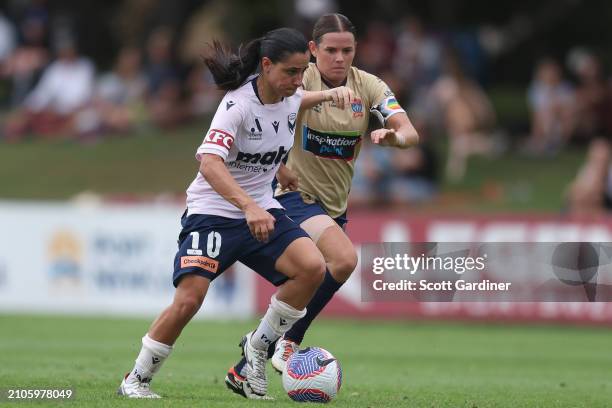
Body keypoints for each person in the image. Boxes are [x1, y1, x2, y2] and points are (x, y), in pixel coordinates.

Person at [117, 27, 353, 399]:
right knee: (189, 300)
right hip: (214, 213)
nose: (297, 80)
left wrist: (332, 96)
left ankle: (258, 347)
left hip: (262, 210)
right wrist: (249, 205)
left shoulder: (290, 97)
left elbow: (301, 102)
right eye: (291, 72)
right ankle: (137, 378)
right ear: (265, 65)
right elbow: (210, 163)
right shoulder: (237, 105)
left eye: (302, 72)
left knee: (312, 267)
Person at [227, 13, 419, 395]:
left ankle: (249, 358)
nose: (339, 58)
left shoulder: (370, 86)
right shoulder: (300, 80)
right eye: (330, 50)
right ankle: (288, 341)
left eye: (347, 50)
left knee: (315, 277)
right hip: (292, 198)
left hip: (334, 206)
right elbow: (264, 112)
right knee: (345, 259)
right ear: (314, 50)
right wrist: (279, 166)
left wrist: (391, 137)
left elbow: (409, 133)